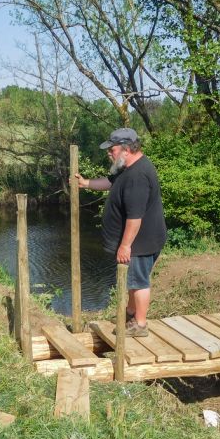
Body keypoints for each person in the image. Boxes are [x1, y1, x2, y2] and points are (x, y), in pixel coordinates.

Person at [76, 127, 166, 337]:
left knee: (139, 282)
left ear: (126, 149)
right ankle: (131, 313)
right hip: (140, 241)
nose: (109, 153)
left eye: (112, 149)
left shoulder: (138, 175)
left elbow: (135, 217)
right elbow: (110, 182)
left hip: (141, 242)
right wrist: (86, 183)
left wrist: (125, 245)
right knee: (133, 281)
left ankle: (140, 325)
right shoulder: (126, 167)